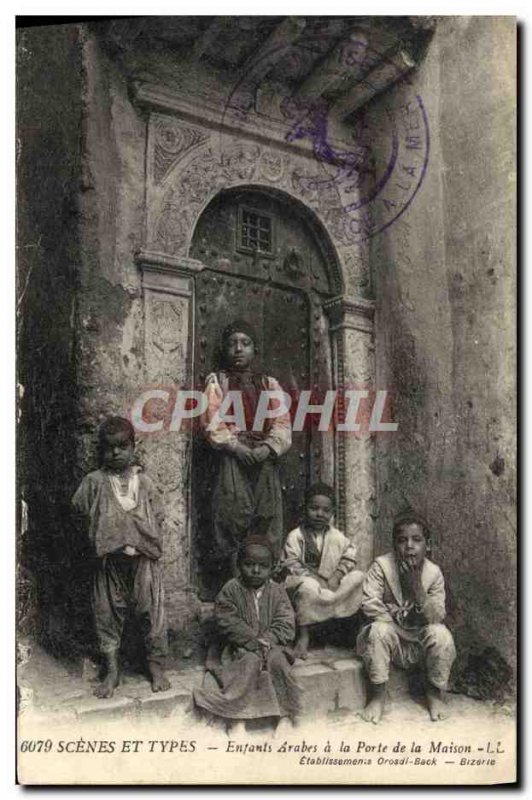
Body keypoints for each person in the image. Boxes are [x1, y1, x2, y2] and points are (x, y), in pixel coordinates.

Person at [71, 416, 170, 699]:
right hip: (109, 562)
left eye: (122, 447)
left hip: (143, 560)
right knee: (106, 613)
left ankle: (156, 666)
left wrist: (138, 534)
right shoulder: (95, 482)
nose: (115, 453)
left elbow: (159, 514)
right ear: (101, 450)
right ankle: (111, 669)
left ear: (133, 447)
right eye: (109, 448)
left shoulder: (145, 483)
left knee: (152, 612)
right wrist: (104, 532)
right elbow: (79, 509)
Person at [202, 320, 292, 581]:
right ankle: (232, 584)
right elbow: (211, 420)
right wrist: (235, 447)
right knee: (232, 515)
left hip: (263, 457)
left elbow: (282, 421)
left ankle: (265, 584)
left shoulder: (268, 384)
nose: (238, 349)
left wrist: (268, 448)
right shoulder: (218, 382)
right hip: (233, 457)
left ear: (254, 350)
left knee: (266, 514)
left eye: (245, 343)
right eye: (232, 344)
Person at [193, 537, 301, 737]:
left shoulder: (277, 591)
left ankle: (285, 715)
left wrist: (268, 639)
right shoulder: (231, 589)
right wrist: (251, 641)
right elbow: (226, 619)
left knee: (279, 662)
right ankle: (236, 718)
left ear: (273, 568)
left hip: (271, 647)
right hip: (238, 647)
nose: (256, 571)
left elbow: (286, 621)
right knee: (247, 663)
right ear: (239, 565)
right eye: (249, 565)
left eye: (263, 566)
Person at [357, 508, 456, 723]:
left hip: (418, 643)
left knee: (441, 636)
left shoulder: (433, 572)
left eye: (417, 540)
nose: (409, 546)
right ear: (394, 545)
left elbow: (436, 615)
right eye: (402, 540)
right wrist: (397, 627)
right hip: (391, 640)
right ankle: (378, 695)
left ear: (427, 546)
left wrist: (416, 587)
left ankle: (433, 693)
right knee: (377, 630)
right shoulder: (382, 567)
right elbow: (369, 604)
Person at [282, 482, 365, 659]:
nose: (320, 514)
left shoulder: (337, 536)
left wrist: (337, 575)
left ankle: (351, 634)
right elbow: (291, 562)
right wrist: (315, 579)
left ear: (332, 513)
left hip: (331, 584)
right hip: (307, 583)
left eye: (326, 510)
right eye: (314, 508)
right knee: (307, 585)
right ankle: (304, 635)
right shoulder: (296, 536)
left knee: (359, 577)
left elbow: (350, 554)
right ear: (305, 509)